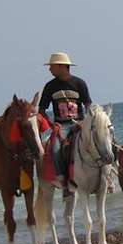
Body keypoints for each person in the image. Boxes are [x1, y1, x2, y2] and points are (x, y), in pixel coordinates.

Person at [38, 52, 92, 191]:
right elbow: (42, 110)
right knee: (55, 148)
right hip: (61, 125)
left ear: (61, 66)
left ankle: (106, 175)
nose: (49, 69)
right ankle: (61, 177)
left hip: (79, 123)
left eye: (52, 66)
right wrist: (52, 124)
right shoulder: (50, 86)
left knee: (98, 141)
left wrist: (86, 122)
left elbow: (88, 105)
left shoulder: (79, 83)